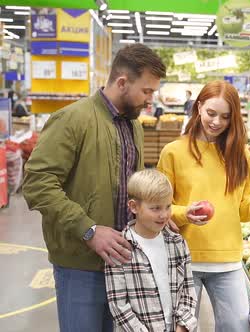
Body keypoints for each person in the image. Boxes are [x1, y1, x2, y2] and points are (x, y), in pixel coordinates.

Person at [22, 44, 167, 332]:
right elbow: (38, 183)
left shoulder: (133, 126)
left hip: (122, 263)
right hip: (80, 264)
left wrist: (152, 215)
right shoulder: (73, 119)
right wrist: (88, 230)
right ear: (122, 82)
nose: (150, 101)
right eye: (147, 91)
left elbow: (131, 188)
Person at [157, 80, 250, 331]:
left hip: (228, 261)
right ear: (198, 108)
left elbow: (242, 210)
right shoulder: (173, 152)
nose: (216, 122)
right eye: (211, 113)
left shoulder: (240, 155)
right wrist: (185, 213)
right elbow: (159, 209)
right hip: (183, 260)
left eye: (225, 117)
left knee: (237, 328)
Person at [105, 169, 198, 332]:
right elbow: (118, 305)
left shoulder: (177, 242)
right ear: (134, 207)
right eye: (155, 208)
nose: (164, 215)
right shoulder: (120, 248)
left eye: (168, 206)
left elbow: (188, 289)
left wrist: (183, 326)